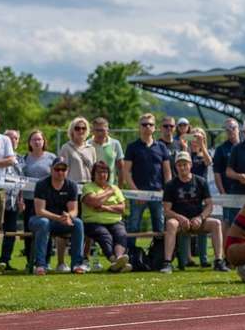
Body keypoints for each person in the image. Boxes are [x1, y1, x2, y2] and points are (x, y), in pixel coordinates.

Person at [161, 152, 228, 273]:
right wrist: (180, 218)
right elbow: (167, 210)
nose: (182, 167)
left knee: (217, 223)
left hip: (197, 220)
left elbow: (209, 205)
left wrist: (200, 218)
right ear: (176, 166)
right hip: (179, 221)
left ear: (190, 165)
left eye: (185, 164)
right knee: (170, 223)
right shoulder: (170, 185)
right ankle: (167, 263)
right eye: (179, 165)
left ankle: (218, 261)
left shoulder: (201, 181)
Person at [123, 113, 172, 253]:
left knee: (159, 226)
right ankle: (130, 255)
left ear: (155, 128)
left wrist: (166, 192)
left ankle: (159, 255)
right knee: (133, 226)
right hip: (138, 194)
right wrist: (136, 193)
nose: (147, 127)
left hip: (158, 194)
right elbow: (126, 172)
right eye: (144, 124)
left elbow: (167, 172)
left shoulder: (162, 147)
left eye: (150, 124)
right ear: (139, 127)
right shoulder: (132, 147)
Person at [29, 158, 85, 275]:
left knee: (78, 223)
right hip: (39, 220)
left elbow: (74, 210)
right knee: (44, 222)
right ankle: (40, 265)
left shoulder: (71, 186)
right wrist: (59, 218)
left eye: (63, 169)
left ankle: (77, 264)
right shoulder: (41, 184)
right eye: (57, 169)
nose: (60, 172)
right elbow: (40, 211)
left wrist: (68, 216)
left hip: (61, 221)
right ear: (51, 169)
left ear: (67, 171)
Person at [81, 161, 130, 272]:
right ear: (93, 174)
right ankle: (114, 261)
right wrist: (109, 192)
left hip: (115, 221)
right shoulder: (88, 187)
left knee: (121, 233)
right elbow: (94, 202)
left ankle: (118, 259)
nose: (102, 175)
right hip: (93, 222)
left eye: (105, 172)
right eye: (99, 172)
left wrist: (105, 207)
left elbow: (122, 208)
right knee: (105, 235)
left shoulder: (115, 188)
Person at [184, 127, 214, 267]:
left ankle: (203, 258)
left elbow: (209, 162)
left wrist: (202, 145)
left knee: (202, 227)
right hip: (187, 193)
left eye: (199, 136)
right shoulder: (187, 153)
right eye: (194, 136)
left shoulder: (204, 154)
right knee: (186, 227)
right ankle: (187, 258)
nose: (196, 139)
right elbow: (183, 165)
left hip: (201, 193)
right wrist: (186, 147)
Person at [0, 129, 24, 270]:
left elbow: (22, 180)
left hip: (13, 201)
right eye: (9, 138)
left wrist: (21, 199)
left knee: (11, 231)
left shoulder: (20, 159)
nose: (12, 140)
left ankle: (5, 260)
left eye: (15, 138)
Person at [212, 118, 241, 228]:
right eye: (227, 129)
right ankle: (225, 246)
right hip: (228, 193)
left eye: (233, 128)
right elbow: (217, 173)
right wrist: (223, 193)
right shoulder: (221, 149)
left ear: (238, 129)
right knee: (228, 223)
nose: (230, 131)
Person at [59, 117, 96, 185]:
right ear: (72, 131)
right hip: (72, 185)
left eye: (83, 128)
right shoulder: (66, 148)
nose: (81, 131)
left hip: (89, 185)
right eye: (77, 128)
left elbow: (94, 169)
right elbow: (62, 170)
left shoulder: (91, 149)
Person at [88, 117, 124, 186]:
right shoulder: (88, 144)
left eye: (102, 130)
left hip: (110, 186)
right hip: (92, 187)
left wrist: (119, 188)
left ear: (107, 130)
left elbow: (121, 168)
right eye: (97, 130)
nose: (100, 133)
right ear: (92, 131)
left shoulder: (115, 144)